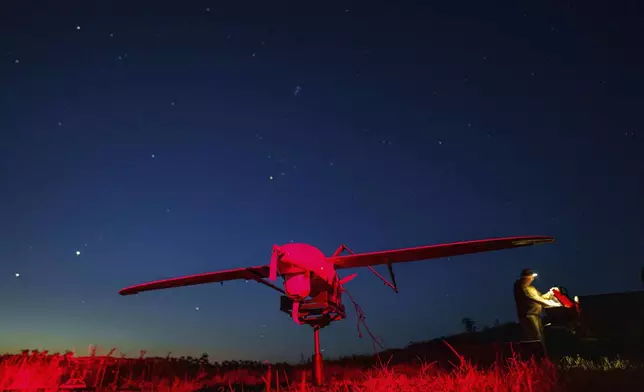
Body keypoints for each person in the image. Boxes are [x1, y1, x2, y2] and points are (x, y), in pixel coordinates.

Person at [513, 268, 560, 345]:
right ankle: (535, 355)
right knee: (535, 338)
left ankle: (543, 355)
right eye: (531, 277)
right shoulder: (520, 287)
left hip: (537, 316)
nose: (532, 279)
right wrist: (551, 304)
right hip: (528, 316)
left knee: (541, 338)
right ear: (525, 278)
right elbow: (533, 298)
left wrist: (550, 293)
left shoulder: (531, 288)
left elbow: (541, 297)